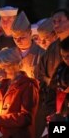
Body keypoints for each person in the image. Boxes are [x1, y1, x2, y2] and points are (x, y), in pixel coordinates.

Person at [0, 48, 39, 138]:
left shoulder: (28, 85)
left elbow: (26, 118)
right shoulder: (3, 83)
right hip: (1, 134)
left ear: (14, 66)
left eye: (2, 68)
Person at [36, 9, 69, 138]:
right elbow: (41, 73)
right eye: (54, 22)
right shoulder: (52, 48)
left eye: (60, 21)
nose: (56, 25)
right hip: (54, 103)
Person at [10, 11, 45, 78]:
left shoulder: (41, 54)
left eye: (22, 37)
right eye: (15, 38)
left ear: (30, 33)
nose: (18, 41)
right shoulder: (9, 54)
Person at [46, 36, 69, 123]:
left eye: (68, 56)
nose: (66, 59)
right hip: (61, 116)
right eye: (63, 56)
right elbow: (51, 93)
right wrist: (51, 113)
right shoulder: (60, 69)